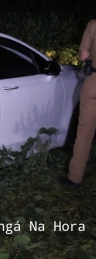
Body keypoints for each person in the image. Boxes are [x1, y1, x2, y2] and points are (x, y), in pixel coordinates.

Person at [58, 19, 96, 188]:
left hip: (94, 83)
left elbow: (83, 55)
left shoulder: (93, 25)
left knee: (84, 131)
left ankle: (75, 177)